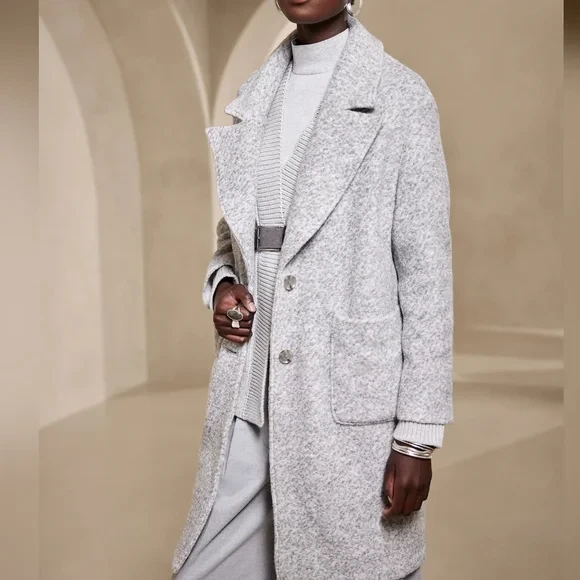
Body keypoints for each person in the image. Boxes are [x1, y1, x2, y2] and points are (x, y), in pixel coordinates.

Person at [172, 1, 453, 579]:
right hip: (250, 391)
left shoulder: (401, 96)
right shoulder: (257, 94)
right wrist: (223, 283)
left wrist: (417, 438)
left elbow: (427, 277)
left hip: (341, 400)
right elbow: (240, 235)